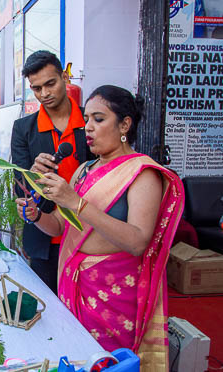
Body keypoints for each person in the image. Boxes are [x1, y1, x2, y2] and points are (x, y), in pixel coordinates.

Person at [16, 85, 184, 371]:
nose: (88, 127)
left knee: (105, 363)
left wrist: (77, 202)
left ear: (125, 124)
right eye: (87, 119)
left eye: (99, 119)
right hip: (74, 284)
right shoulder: (84, 170)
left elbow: (138, 242)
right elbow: (59, 226)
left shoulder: (143, 174)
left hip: (113, 294)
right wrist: (34, 216)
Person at [10, 50, 94, 293]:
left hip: (89, 232)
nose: (44, 94)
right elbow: (19, 189)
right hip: (44, 237)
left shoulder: (91, 122)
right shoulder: (24, 129)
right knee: (49, 311)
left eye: (50, 84)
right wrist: (32, 175)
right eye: (37, 88)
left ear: (64, 79)